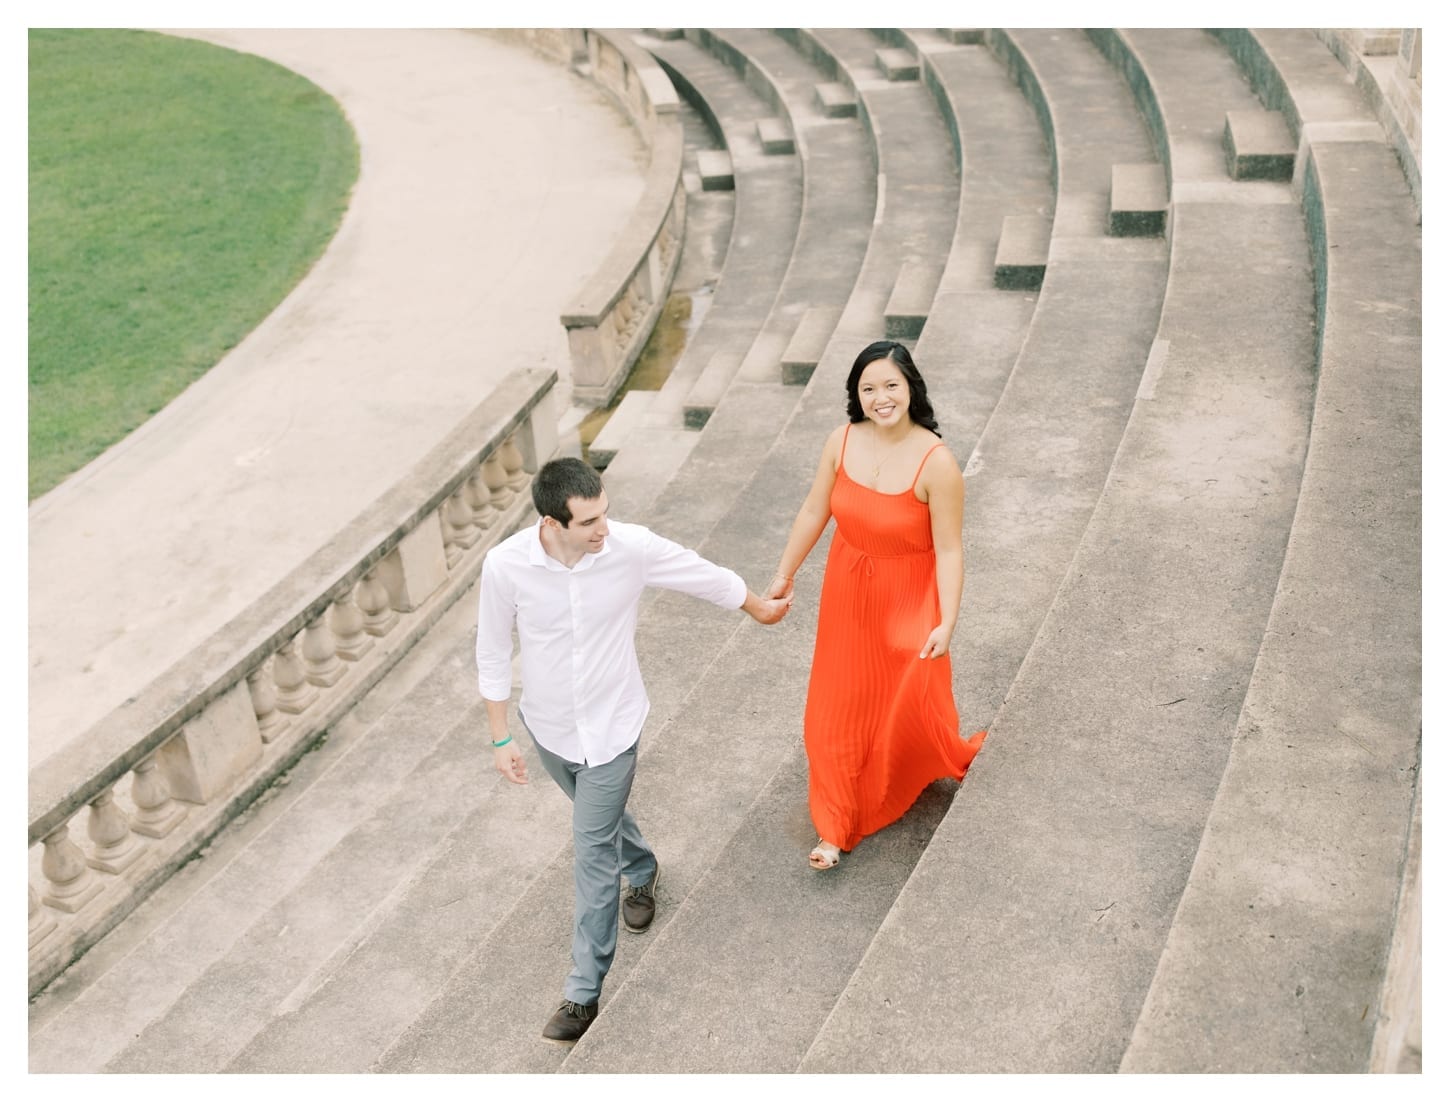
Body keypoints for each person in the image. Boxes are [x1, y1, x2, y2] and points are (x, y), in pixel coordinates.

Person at [476, 456, 791, 1044]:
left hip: (614, 728)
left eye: (606, 514)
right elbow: (493, 651)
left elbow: (697, 572)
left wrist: (757, 606)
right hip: (549, 728)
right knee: (601, 821)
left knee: (591, 848)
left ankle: (581, 992)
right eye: (589, 521)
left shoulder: (629, 547)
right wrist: (500, 737)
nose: (604, 530)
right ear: (551, 523)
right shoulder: (505, 566)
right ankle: (643, 868)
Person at [767, 340, 986, 871]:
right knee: (834, 709)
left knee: (900, 703)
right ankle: (836, 826)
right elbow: (815, 508)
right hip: (848, 591)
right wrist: (784, 573)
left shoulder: (938, 464)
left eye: (891, 385)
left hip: (910, 595)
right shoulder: (840, 441)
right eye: (868, 388)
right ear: (855, 395)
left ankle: (921, 757)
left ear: (911, 387)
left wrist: (947, 621)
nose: (880, 397)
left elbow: (951, 549)